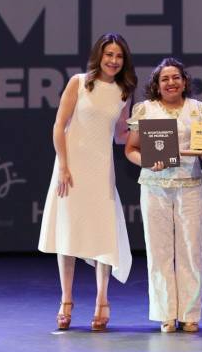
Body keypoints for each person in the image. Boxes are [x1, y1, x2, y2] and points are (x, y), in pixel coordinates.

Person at [38, 33, 137, 332]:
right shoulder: (78, 83)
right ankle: (66, 300)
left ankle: (102, 301)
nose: (113, 61)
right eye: (109, 55)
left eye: (119, 56)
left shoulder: (124, 92)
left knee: (103, 232)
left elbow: (120, 135)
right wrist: (63, 166)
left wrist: (147, 130)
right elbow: (59, 125)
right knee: (67, 232)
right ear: (99, 56)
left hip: (101, 170)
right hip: (71, 168)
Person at [125, 58, 202, 333]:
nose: (171, 83)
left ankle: (190, 314)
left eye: (176, 77)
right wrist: (146, 162)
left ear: (185, 81)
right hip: (154, 187)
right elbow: (131, 149)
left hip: (190, 186)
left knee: (191, 249)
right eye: (165, 79)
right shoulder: (145, 110)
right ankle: (165, 313)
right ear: (157, 84)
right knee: (159, 251)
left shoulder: (200, 111)